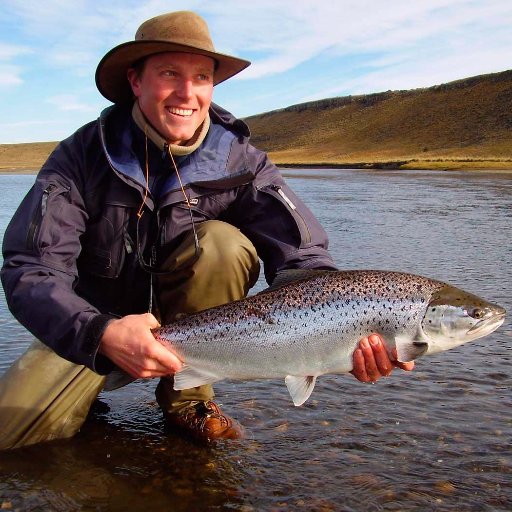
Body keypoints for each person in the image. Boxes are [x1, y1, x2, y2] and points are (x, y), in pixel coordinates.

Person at [0, 11, 413, 449]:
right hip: (96, 329)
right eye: (169, 74)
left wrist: (346, 333)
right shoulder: (81, 156)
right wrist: (99, 333)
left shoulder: (242, 162)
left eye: (201, 77)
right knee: (11, 442)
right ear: (136, 81)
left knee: (223, 245)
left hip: (197, 339)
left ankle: (187, 397)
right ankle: (94, 386)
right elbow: (31, 268)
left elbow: (304, 259)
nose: (187, 92)